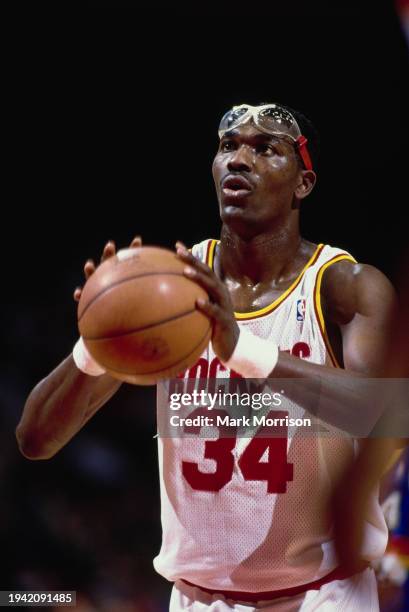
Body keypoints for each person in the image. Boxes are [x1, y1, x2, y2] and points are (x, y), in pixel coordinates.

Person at [17, 103, 398, 611]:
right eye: (228, 146)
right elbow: (35, 439)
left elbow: (393, 416)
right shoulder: (169, 290)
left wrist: (241, 349)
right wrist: (95, 343)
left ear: (303, 184)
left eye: (265, 149)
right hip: (200, 601)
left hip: (325, 595)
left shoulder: (344, 288)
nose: (240, 160)